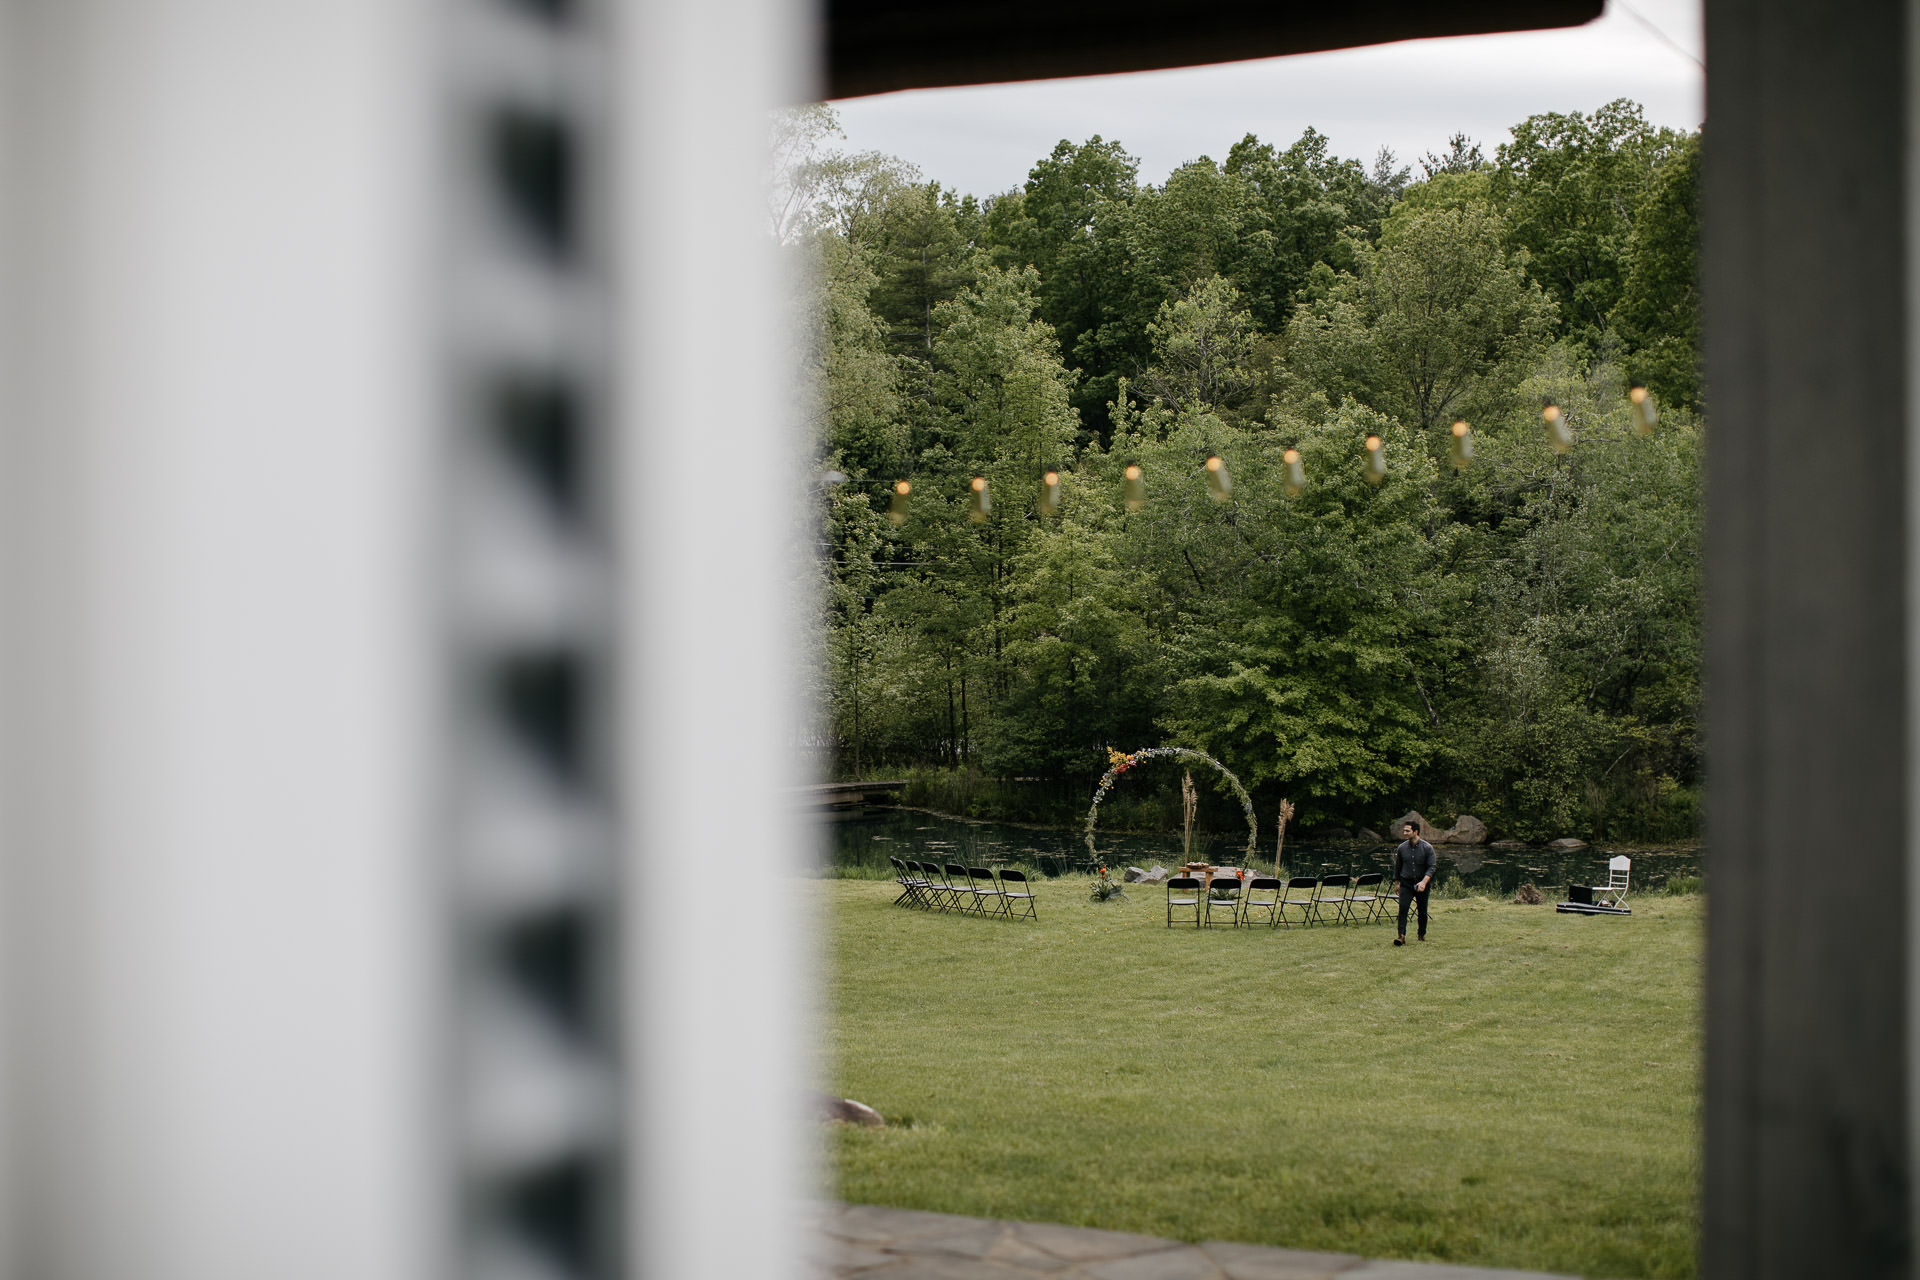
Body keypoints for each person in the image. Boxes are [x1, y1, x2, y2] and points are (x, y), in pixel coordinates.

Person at [1392, 820, 1436, 945]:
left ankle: (1421, 934)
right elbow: (1398, 866)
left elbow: (1432, 867)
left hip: (1422, 883)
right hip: (1406, 883)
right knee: (1403, 909)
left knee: (1422, 910)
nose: (1404, 833)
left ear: (1415, 832)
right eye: (1404, 830)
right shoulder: (1401, 848)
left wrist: (1424, 882)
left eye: (1407, 831)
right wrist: (1397, 883)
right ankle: (1401, 936)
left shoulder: (1427, 848)